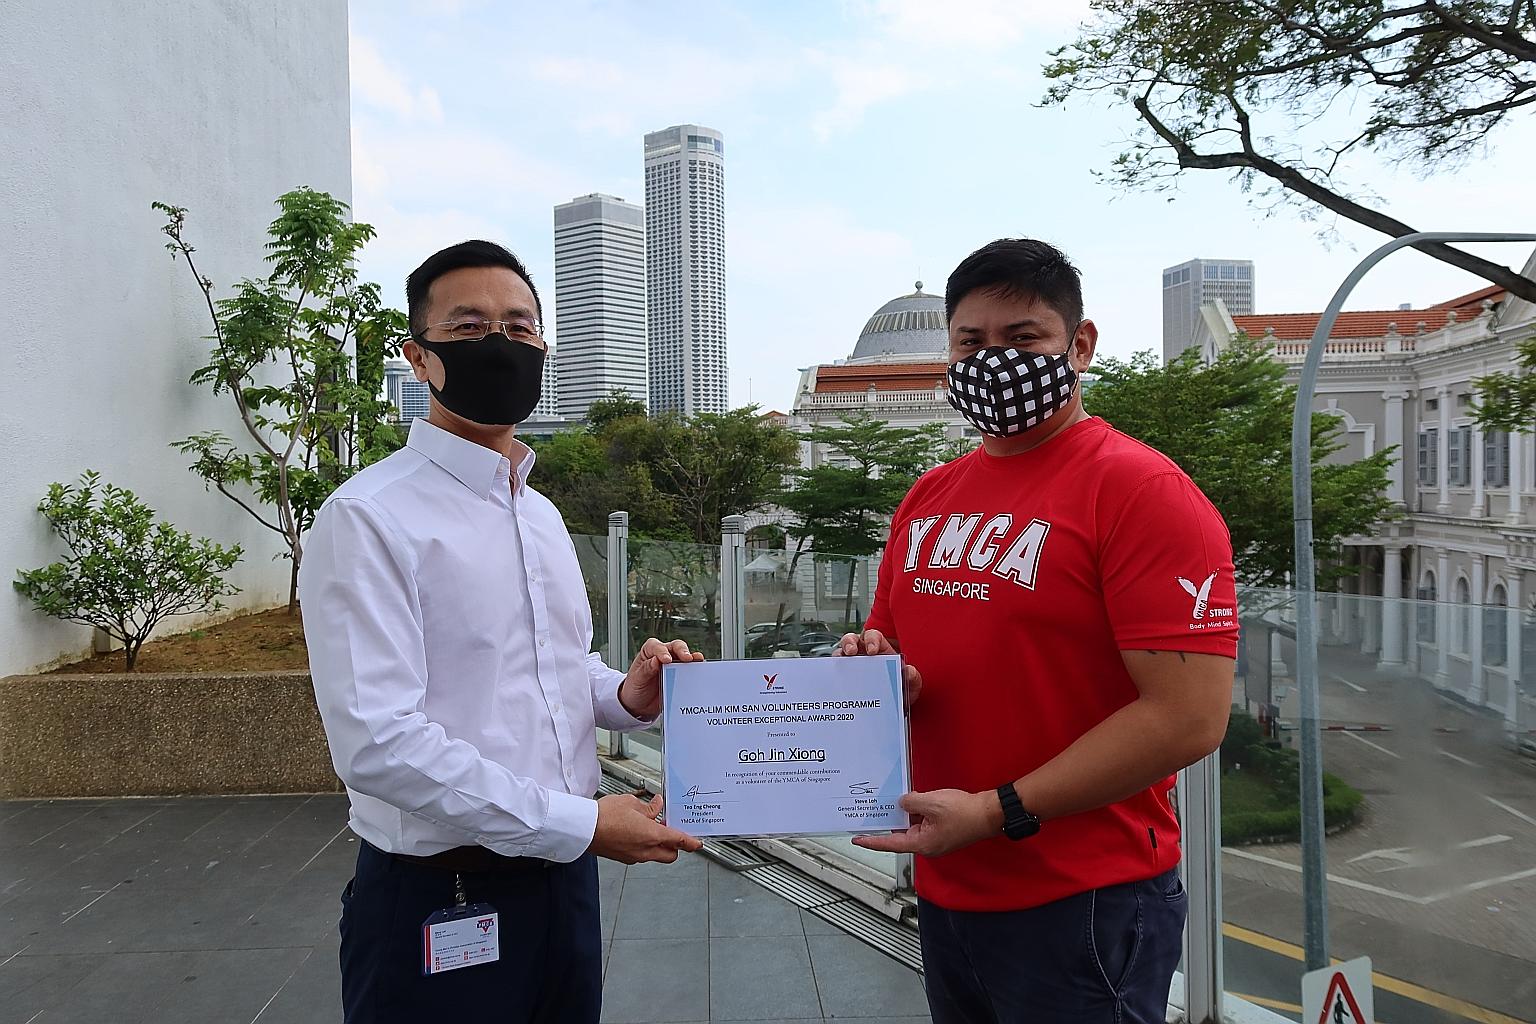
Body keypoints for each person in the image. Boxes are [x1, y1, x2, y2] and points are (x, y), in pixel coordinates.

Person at [298, 239, 703, 1024]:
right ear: (419, 357)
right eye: (469, 326)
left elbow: (556, 668)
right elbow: (377, 741)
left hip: (563, 881)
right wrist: (582, 823)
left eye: (519, 327)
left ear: (543, 348)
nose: (499, 344)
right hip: (441, 891)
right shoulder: (369, 516)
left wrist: (627, 694)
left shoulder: (539, 512)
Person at [838, 238, 1237, 1024]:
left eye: (1023, 338)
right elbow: (891, 647)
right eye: (971, 342)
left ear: (1079, 345)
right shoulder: (929, 495)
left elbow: (1188, 717)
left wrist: (997, 812)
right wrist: (879, 670)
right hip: (947, 883)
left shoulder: (1142, 491)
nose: (994, 360)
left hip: (1086, 901)